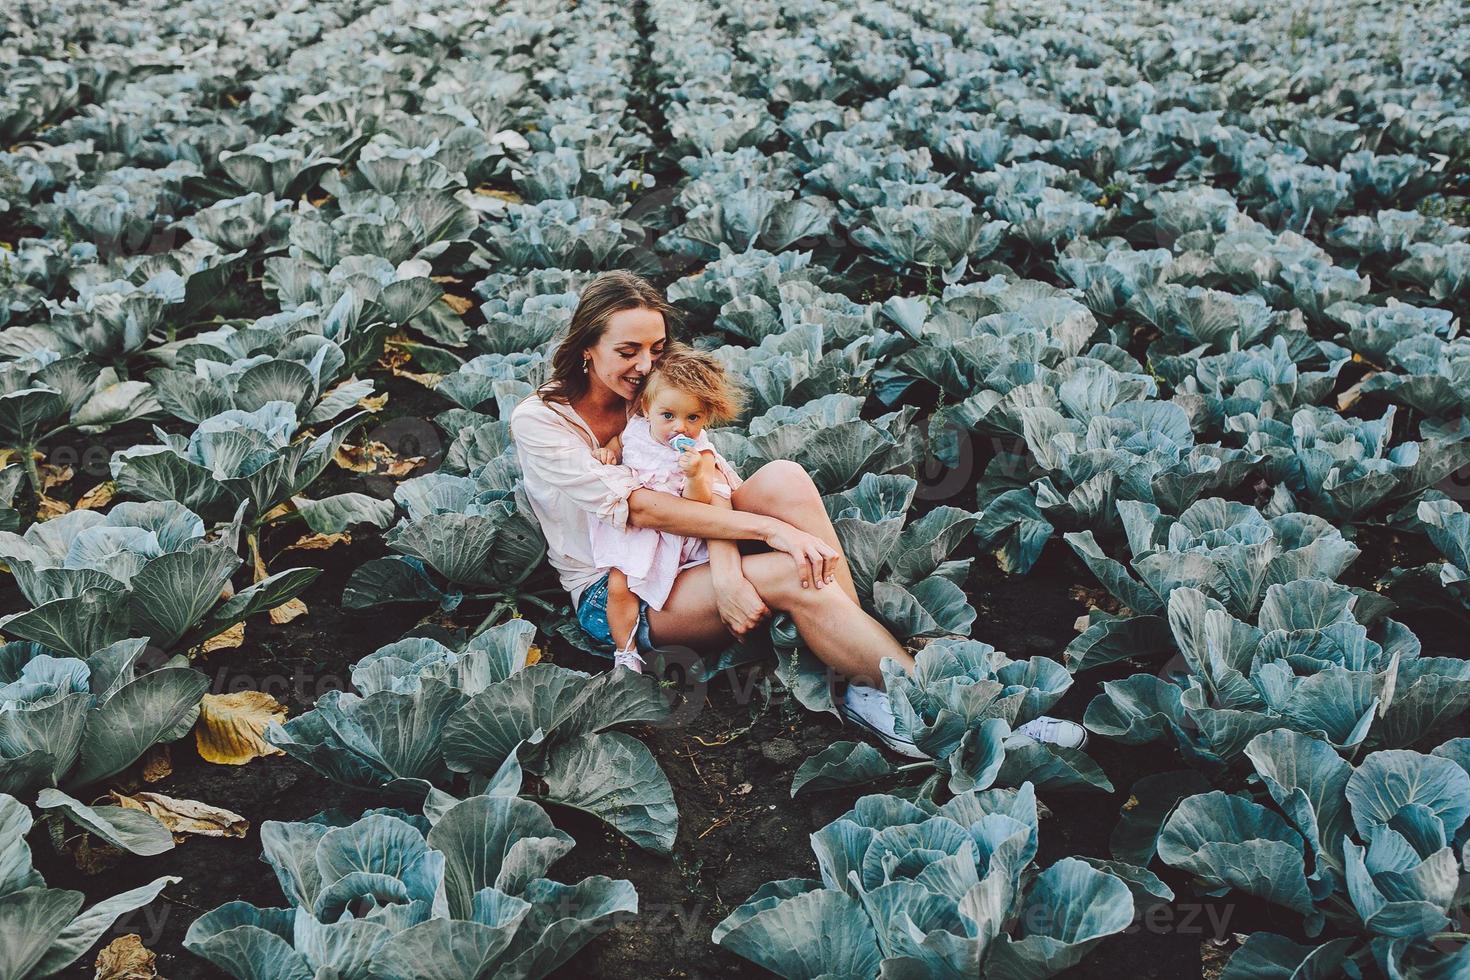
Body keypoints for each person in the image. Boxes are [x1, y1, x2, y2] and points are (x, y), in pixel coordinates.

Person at [509, 269, 1085, 755]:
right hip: (623, 589)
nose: (644, 364)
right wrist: (769, 531)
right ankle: (959, 724)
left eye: (656, 349)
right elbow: (641, 510)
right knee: (792, 566)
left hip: (691, 553)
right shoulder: (541, 421)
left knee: (784, 477)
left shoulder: (655, 398)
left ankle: (861, 671)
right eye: (627, 350)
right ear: (587, 348)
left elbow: (713, 490)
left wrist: (732, 571)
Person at [586, 345, 745, 673]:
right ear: (646, 408)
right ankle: (625, 651)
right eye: (668, 416)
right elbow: (620, 445)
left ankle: (703, 639)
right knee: (619, 585)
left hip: (679, 531)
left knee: (677, 583)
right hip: (638, 528)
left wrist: (693, 474)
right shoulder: (636, 430)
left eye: (693, 418)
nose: (680, 428)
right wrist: (609, 453)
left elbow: (699, 503)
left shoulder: (699, 453)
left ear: (706, 418)